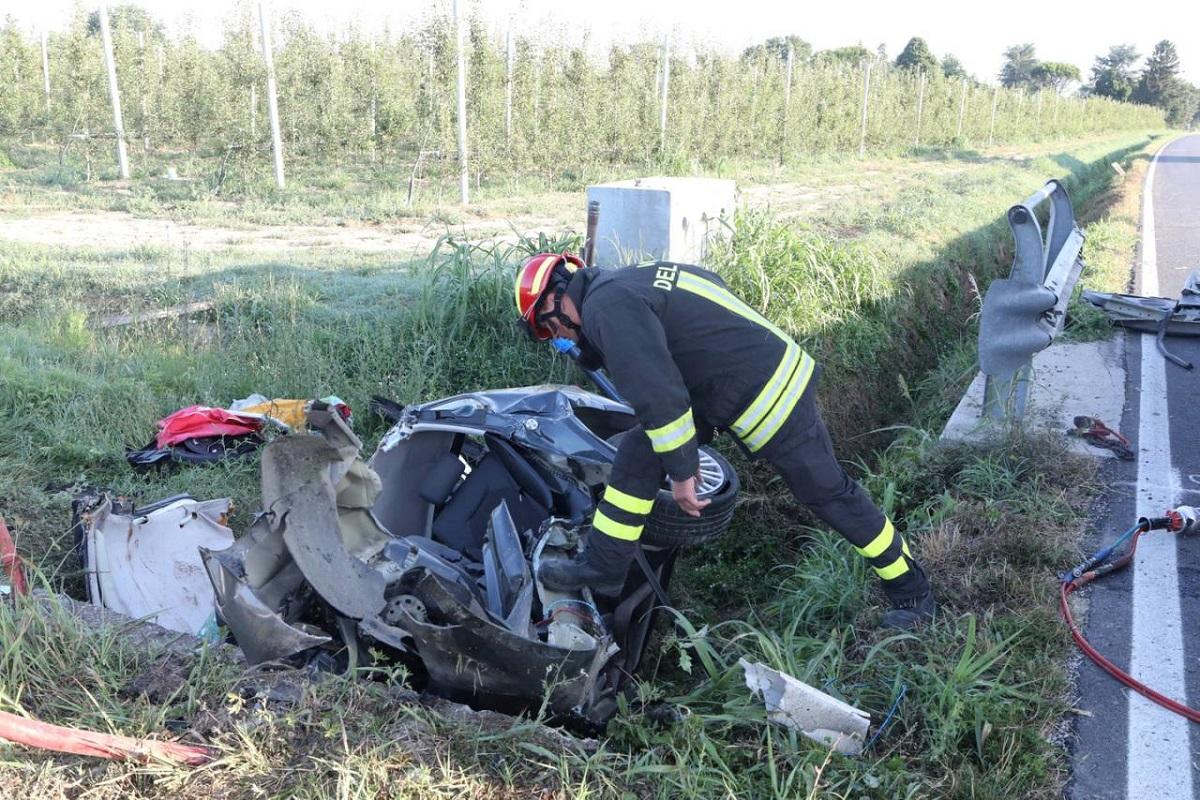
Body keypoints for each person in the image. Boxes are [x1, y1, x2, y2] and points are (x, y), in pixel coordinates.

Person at [514, 252, 936, 629]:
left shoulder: (607, 307)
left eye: (548, 328)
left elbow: (659, 394)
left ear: (555, 299)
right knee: (639, 450)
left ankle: (911, 589)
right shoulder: (625, 282)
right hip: (731, 382)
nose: (558, 337)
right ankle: (603, 566)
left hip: (768, 390)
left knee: (827, 493)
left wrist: (682, 472)